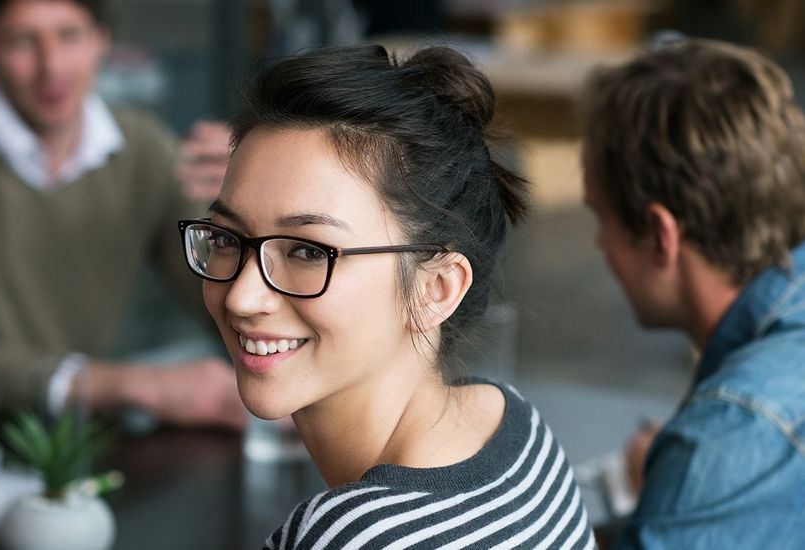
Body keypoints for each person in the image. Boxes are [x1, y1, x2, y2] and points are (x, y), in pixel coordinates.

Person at [181, 44, 596, 548]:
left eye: (308, 252)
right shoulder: (514, 428)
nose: (242, 298)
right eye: (226, 239)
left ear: (436, 289)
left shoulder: (348, 536)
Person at [0, 0, 243, 428]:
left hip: (76, 438)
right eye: (22, 41)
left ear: (102, 41)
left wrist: (248, 211)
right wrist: (134, 385)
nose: (52, 67)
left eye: (69, 35)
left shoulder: (144, 147)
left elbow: (222, 302)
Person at [581, 38, 805, 548]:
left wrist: (689, 479)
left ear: (661, 234)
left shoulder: (731, 430)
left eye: (601, 218)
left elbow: (738, 437)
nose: (598, 244)